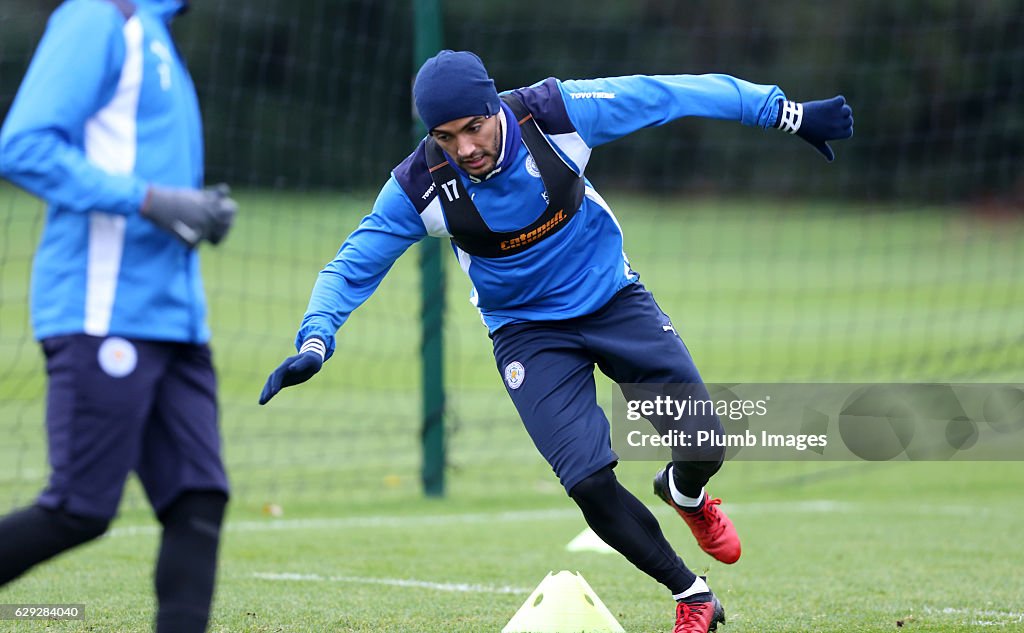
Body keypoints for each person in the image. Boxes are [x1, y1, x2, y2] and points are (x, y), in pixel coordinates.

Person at [259, 50, 853, 632]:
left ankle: (684, 489)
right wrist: (316, 339)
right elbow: (351, 263)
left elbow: (670, 92)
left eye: (474, 128)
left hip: (614, 301)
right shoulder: (420, 186)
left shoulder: (556, 114)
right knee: (588, 481)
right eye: (446, 137)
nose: (465, 148)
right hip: (527, 335)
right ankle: (691, 594)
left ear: (495, 107)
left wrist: (786, 114)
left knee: (704, 444)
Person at [0, 1, 237, 631]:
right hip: (104, 311)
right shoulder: (98, 18)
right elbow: (22, 146)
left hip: (176, 321)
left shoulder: (155, 30)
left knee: (198, 499)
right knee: (79, 507)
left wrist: (197, 212)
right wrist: (152, 200)